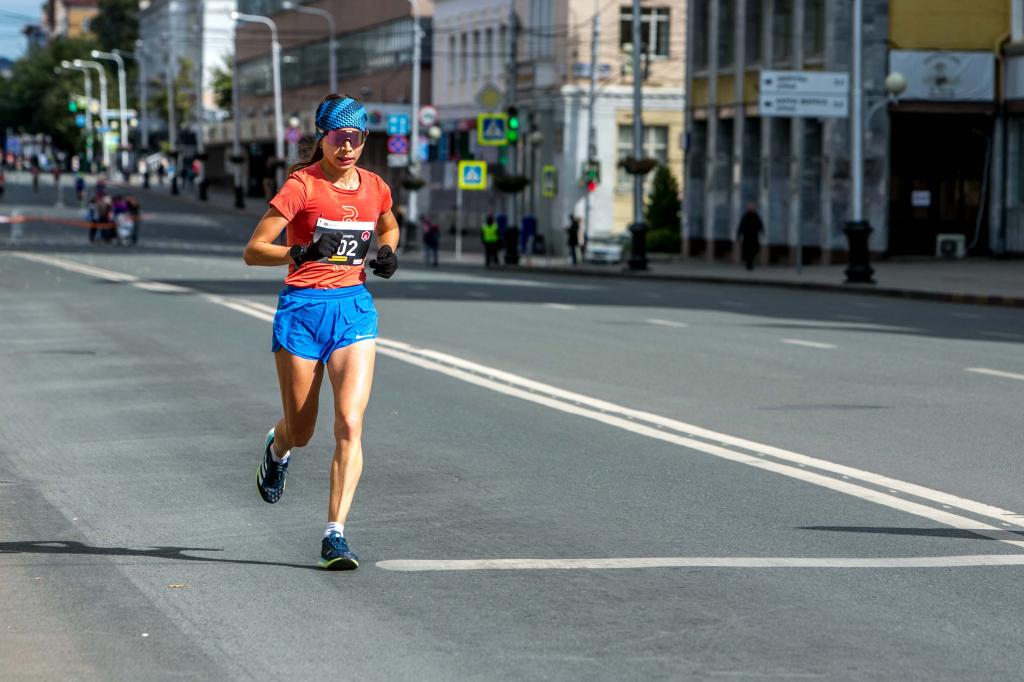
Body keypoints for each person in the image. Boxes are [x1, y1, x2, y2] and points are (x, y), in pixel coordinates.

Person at [243, 94, 399, 571]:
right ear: (323, 139)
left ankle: (335, 534)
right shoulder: (301, 186)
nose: (347, 147)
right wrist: (301, 251)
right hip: (302, 312)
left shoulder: (375, 187)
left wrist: (388, 251)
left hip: (353, 311)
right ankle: (278, 446)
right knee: (303, 430)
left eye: (355, 138)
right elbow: (254, 250)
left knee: (350, 423)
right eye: (338, 138)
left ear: (364, 140)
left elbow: (388, 225)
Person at [736, 202, 765, 271]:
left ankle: (750, 264)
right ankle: (749, 265)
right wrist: (739, 234)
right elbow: (741, 225)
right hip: (747, 237)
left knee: (754, 250)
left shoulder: (756, 216)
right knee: (747, 251)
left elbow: (760, 224)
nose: (751, 209)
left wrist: (762, 231)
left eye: (752, 208)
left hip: (754, 237)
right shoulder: (745, 216)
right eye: (750, 208)